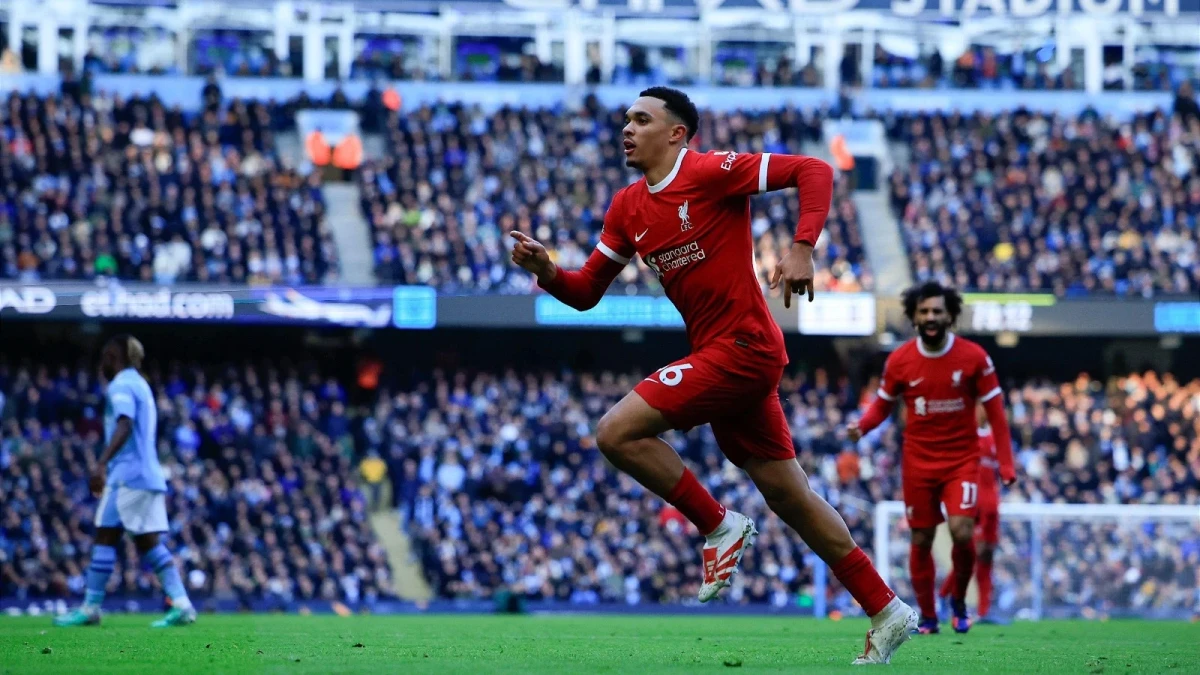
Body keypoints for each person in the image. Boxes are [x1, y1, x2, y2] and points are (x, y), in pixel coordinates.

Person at [510, 86, 917, 665]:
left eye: (642, 119)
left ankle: (718, 525)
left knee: (615, 432)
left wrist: (803, 247)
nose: (627, 128)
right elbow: (585, 292)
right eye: (626, 119)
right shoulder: (626, 207)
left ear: (676, 134)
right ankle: (886, 608)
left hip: (743, 347)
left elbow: (814, 170)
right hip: (724, 358)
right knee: (791, 497)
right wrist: (546, 269)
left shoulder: (709, 172)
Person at [849, 282, 1015, 635]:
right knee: (921, 538)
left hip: (962, 461)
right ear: (914, 316)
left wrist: (1006, 463)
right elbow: (882, 404)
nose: (930, 317)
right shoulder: (900, 360)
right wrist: (862, 426)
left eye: (937, 311)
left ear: (950, 315)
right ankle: (927, 615)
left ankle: (959, 603)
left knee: (962, 531)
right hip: (918, 464)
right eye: (923, 311)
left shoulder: (974, 357)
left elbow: (996, 413)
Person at [54, 335, 197, 628]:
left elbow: (125, 422)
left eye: (104, 359)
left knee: (106, 534)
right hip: (147, 474)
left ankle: (91, 607)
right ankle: (182, 603)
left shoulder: (120, 384)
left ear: (113, 357)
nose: (102, 366)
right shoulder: (141, 383)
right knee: (147, 541)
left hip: (128, 476)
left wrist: (101, 463)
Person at [938, 405, 1003, 622]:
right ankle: (943, 598)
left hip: (992, 506)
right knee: (969, 555)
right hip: (973, 504)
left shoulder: (995, 438)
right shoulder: (965, 436)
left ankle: (984, 611)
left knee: (987, 557)